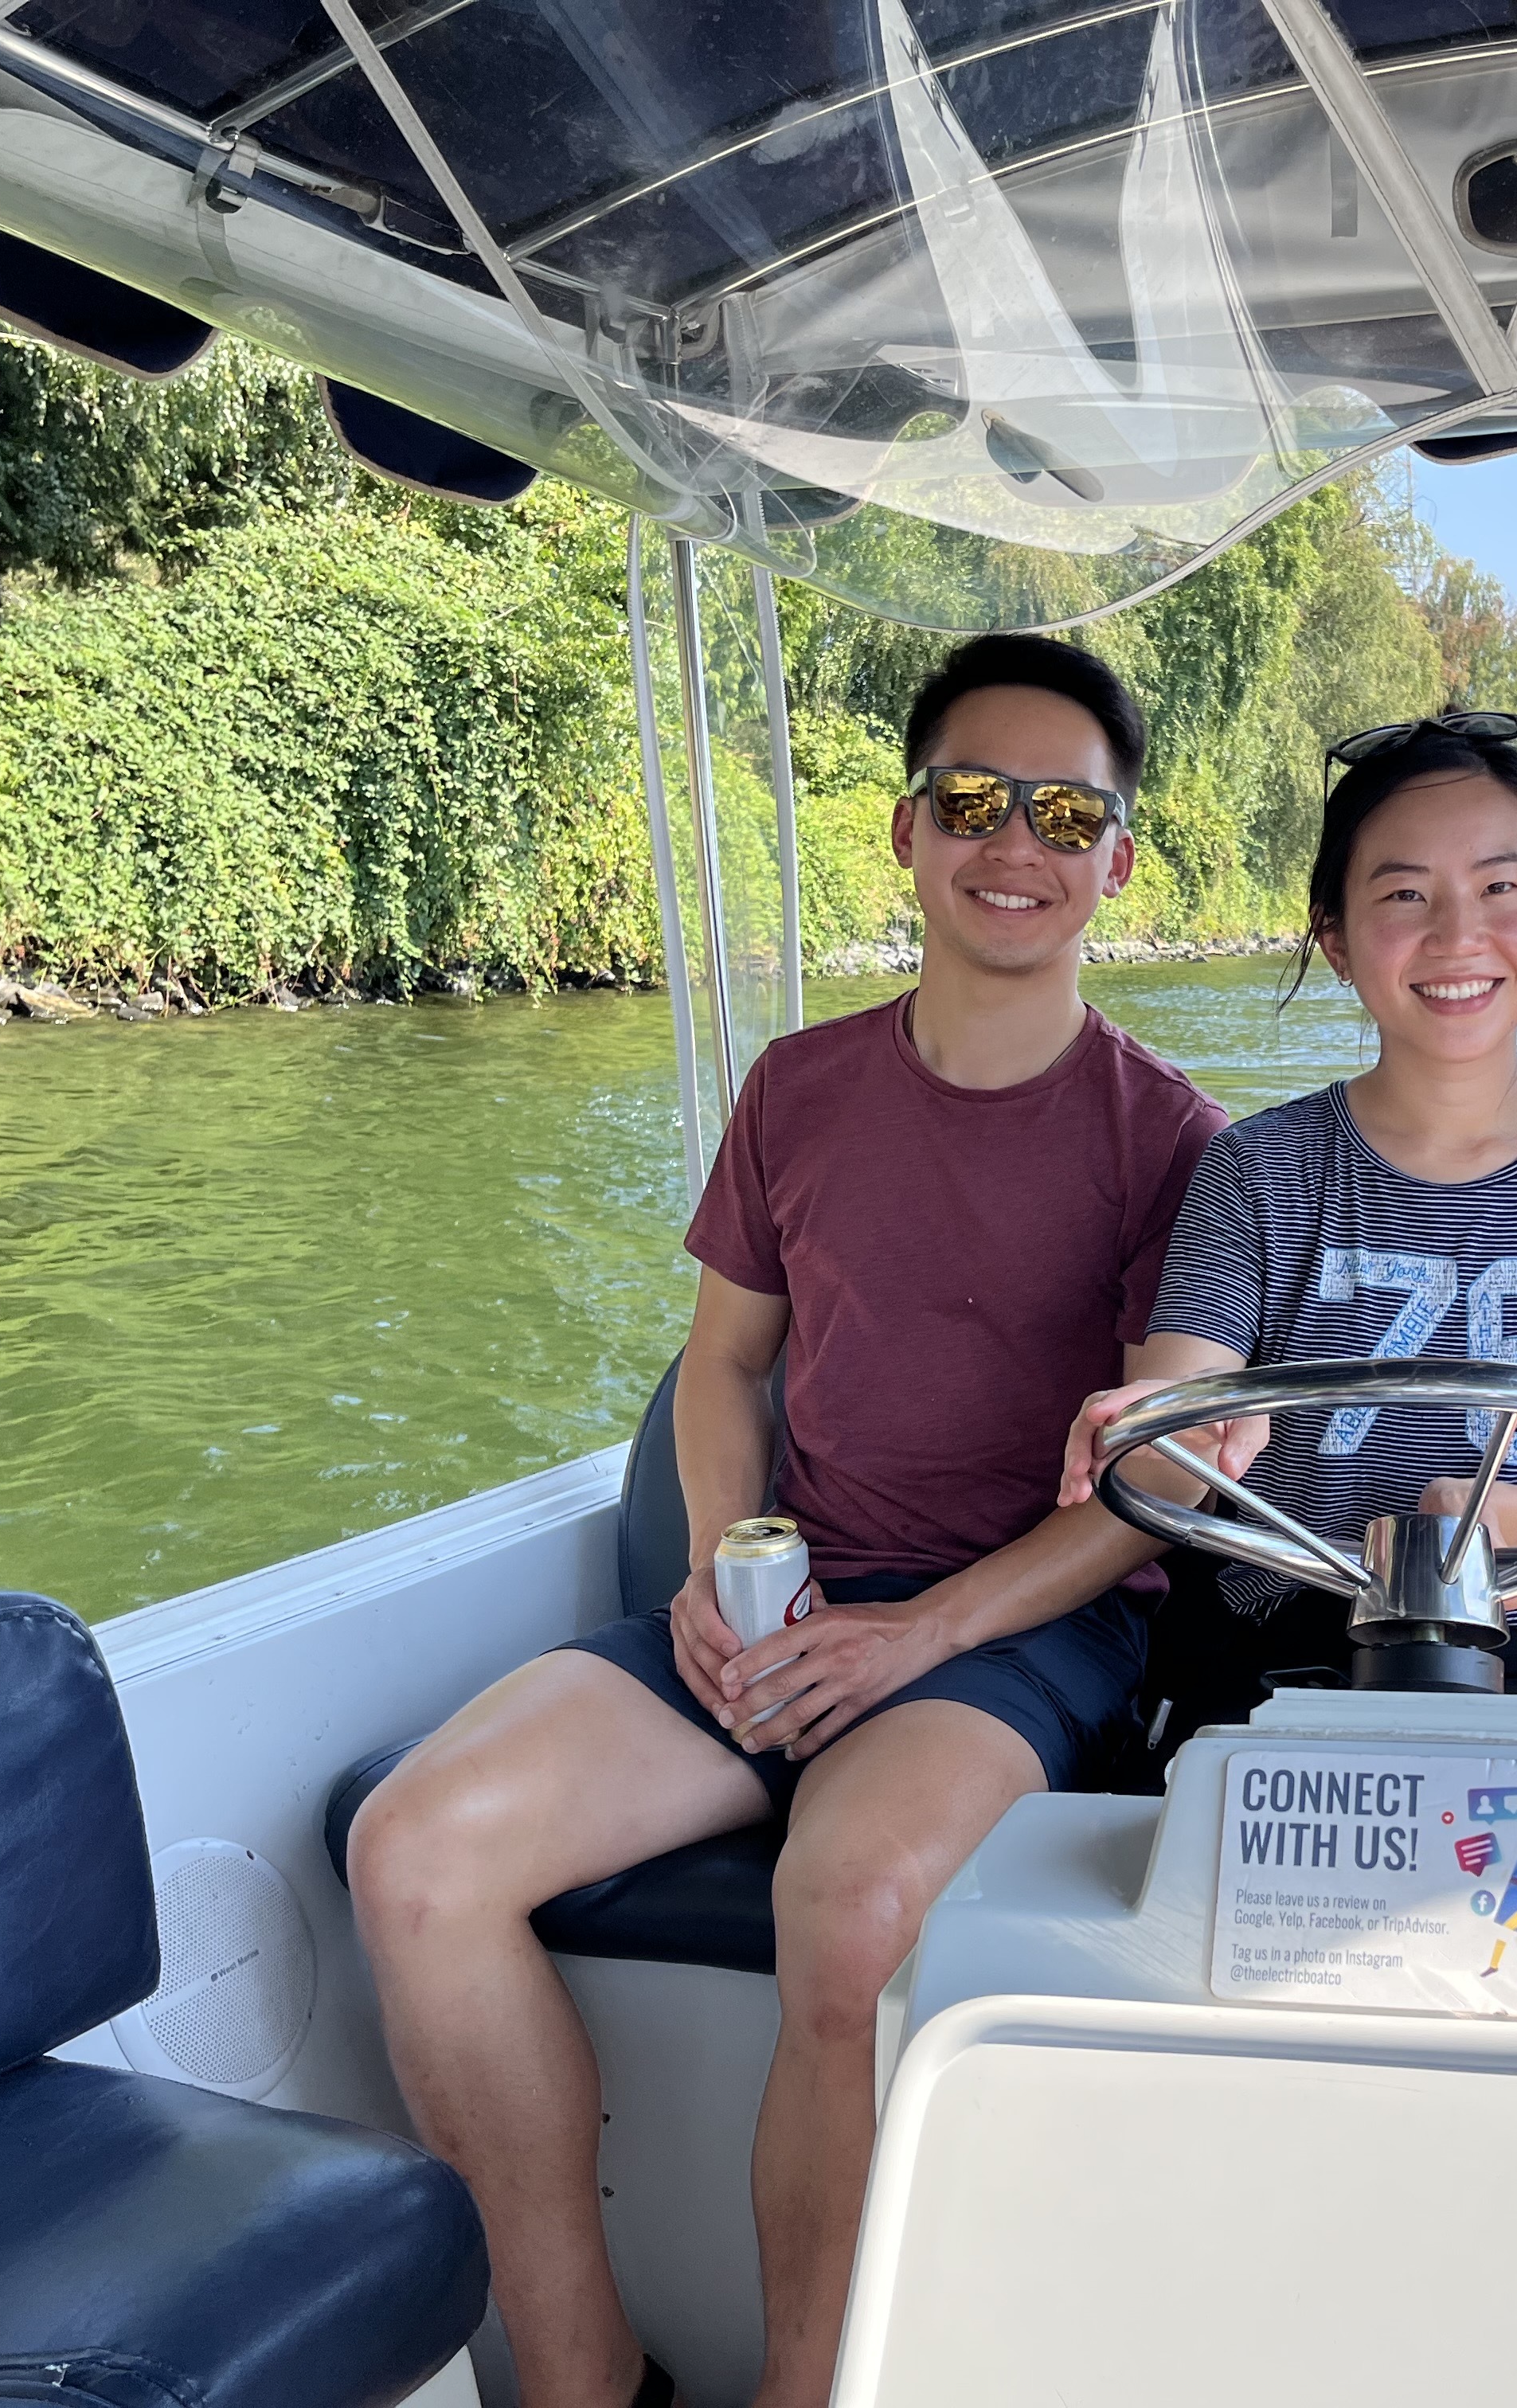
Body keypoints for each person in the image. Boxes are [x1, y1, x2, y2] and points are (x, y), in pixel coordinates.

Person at [348, 635, 1226, 2408]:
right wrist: (719, 1571)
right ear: (907, 831)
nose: (1015, 845)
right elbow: (725, 1370)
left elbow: (1154, 1495)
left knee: (847, 1912)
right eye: (973, 800)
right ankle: (586, 2374)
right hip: (775, 1609)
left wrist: (912, 1636)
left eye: (1068, 814)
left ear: (1118, 862)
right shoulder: (798, 1091)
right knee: (417, 1853)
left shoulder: (1171, 1141)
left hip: (1017, 1634)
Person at [1058, 711, 1517, 1722]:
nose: (1456, 935)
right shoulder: (1256, 1171)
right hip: (1294, 1654)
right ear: (1335, 938)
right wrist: (1180, 1430)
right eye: (1403, 894)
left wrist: (1508, 1522)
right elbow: (1177, 1419)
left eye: (1498, 888)